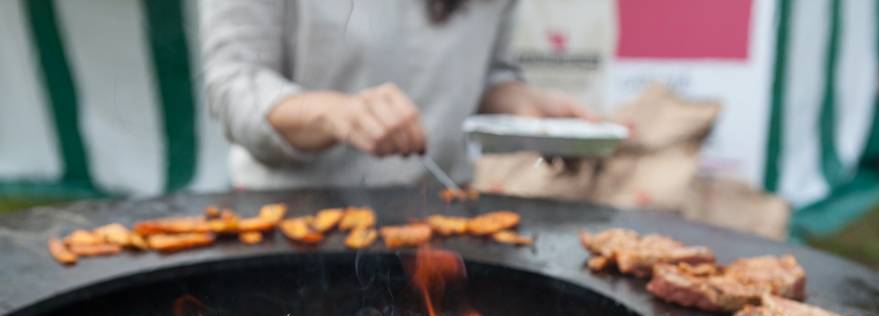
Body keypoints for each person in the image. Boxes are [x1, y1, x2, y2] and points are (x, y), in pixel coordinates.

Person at [200, 0, 594, 189]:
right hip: (295, 220)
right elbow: (233, 83)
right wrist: (335, 113)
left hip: (441, 223)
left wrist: (525, 107)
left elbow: (488, 75)